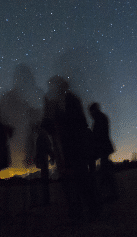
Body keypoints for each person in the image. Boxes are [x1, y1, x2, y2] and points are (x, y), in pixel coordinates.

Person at [44, 76, 99, 221]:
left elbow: (81, 123)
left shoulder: (71, 99)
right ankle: (77, 211)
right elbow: (47, 123)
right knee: (69, 181)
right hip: (63, 147)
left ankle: (92, 209)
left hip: (75, 146)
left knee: (82, 178)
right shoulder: (53, 102)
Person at [89, 102, 119, 202]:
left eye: (91, 112)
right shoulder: (101, 117)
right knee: (105, 169)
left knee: (106, 170)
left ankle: (113, 193)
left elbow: (98, 135)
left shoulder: (99, 119)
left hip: (103, 148)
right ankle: (111, 192)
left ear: (94, 110)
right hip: (104, 147)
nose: (91, 115)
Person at [35, 119, 55, 206]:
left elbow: (42, 148)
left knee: (44, 179)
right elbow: (48, 147)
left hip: (42, 160)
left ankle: (45, 200)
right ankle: (46, 200)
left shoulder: (41, 135)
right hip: (43, 160)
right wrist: (52, 156)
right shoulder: (44, 135)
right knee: (45, 179)